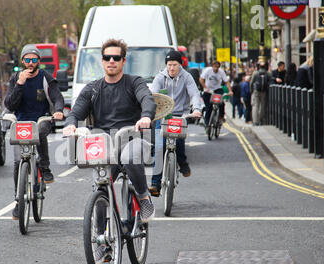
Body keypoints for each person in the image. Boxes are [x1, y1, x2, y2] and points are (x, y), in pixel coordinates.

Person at [63, 38, 157, 224]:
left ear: (124, 60)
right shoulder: (93, 88)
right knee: (100, 188)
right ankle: (102, 242)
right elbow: (76, 111)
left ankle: (144, 197)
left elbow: (147, 98)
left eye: (116, 57)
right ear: (102, 60)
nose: (111, 61)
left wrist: (146, 116)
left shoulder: (134, 82)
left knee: (129, 158)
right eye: (107, 57)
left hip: (134, 137)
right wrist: (71, 123)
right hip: (106, 144)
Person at [4, 44, 65, 220]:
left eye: (34, 59)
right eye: (27, 60)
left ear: (39, 61)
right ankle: (18, 201)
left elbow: (57, 97)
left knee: (39, 131)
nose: (30, 63)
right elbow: (10, 104)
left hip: (42, 119)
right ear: (22, 61)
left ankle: (44, 167)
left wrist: (59, 110)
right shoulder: (16, 78)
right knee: (17, 162)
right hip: (21, 123)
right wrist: (20, 84)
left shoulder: (46, 77)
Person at [147, 50, 203, 197]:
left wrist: (196, 109)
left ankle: (183, 163)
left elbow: (194, 94)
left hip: (179, 116)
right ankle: (155, 184)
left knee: (178, 144)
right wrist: (149, 112)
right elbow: (153, 94)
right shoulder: (160, 77)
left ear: (180, 65)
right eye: (169, 65)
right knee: (159, 148)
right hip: (162, 116)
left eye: (175, 65)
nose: (171, 68)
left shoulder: (187, 77)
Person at [199, 61, 233, 130]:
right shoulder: (208, 70)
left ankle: (221, 117)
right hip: (208, 90)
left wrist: (230, 91)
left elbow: (227, 82)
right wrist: (205, 88)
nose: (216, 69)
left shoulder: (221, 72)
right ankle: (207, 122)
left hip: (217, 89)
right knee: (208, 107)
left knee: (221, 104)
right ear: (212, 66)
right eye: (214, 67)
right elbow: (201, 79)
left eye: (217, 67)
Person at [250, 61, 271, 126]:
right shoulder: (268, 73)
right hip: (264, 91)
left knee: (255, 106)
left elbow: (251, 83)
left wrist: (251, 91)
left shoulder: (255, 73)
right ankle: (261, 120)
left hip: (256, 91)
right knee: (262, 106)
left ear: (259, 67)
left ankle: (255, 121)